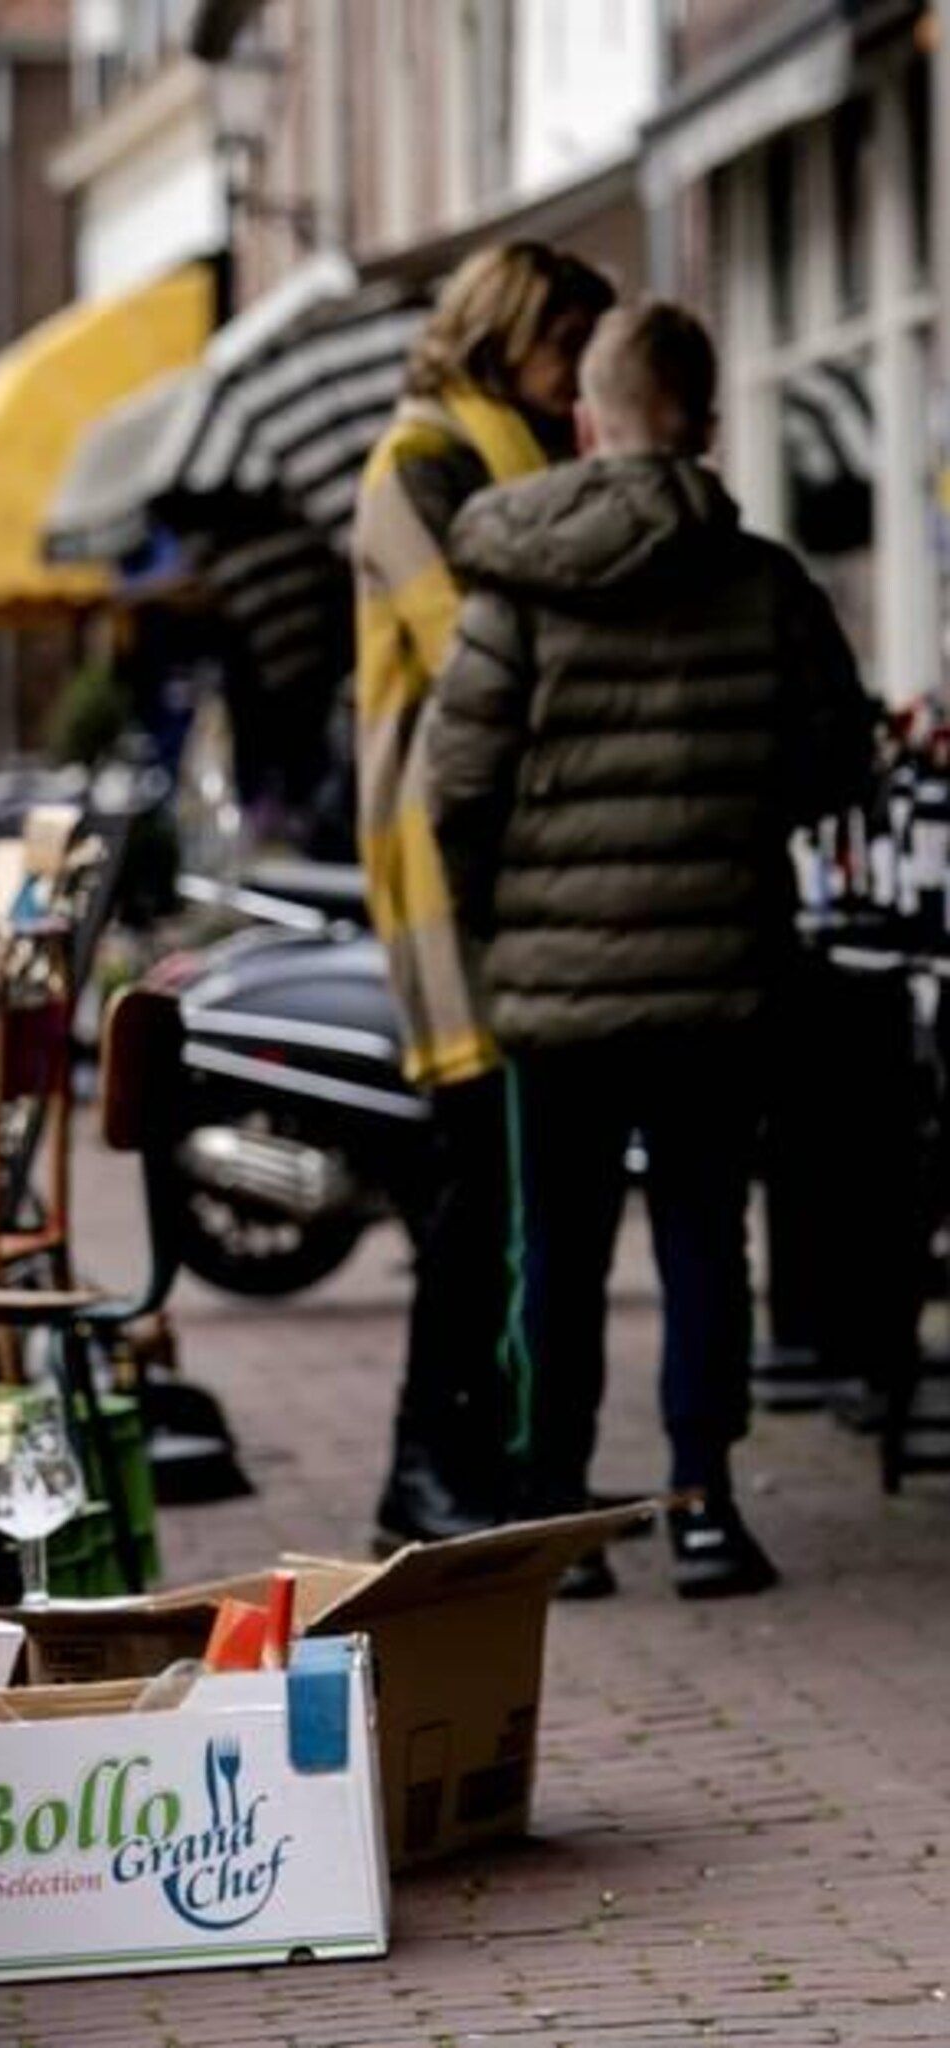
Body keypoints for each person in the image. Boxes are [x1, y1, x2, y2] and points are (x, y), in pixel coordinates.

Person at [425, 301, 873, 1597]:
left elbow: (457, 784)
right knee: (703, 1239)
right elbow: (836, 763)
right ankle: (701, 1505)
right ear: (708, 422)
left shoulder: (513, 588)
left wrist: (503, 919)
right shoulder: (767, 584)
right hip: (721, 983)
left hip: (553, 991)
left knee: (556, 1249)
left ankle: (554, 1514)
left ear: (584, 421)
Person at [352, 241, 615, 1547]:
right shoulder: (421, 461)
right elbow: (469, 651)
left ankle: (509, 1464)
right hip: (446, 857)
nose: (581, 372)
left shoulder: (533, 459)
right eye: (569, 342)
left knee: (530, 1179)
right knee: (476, 1177)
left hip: (536, 857)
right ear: (510, 331)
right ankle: (422, 1470)